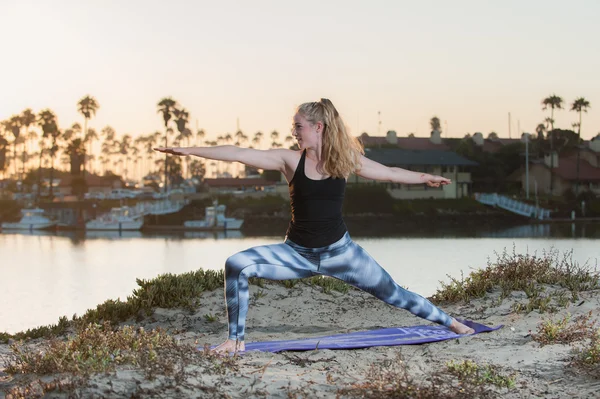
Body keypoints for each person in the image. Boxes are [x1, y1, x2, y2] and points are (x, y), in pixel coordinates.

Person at [154, 98, 475, 354]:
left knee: (396, 295)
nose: (294, 132)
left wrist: (425, 178)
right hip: (297, 254)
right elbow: (238, 154)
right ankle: (235, 341)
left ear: (318, 127)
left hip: (342, 254)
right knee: (237, 265)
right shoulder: (289, 161)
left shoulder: (345, 160)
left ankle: (452, 324)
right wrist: (187, 150)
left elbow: (389, 172)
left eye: (299, 126)